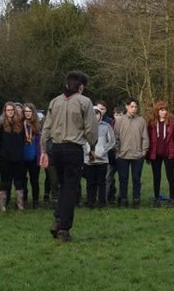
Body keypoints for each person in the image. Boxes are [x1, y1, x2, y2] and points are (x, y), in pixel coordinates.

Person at [41, 71, 98, 242]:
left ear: (67, 84)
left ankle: (58, 219)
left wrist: (44, 149)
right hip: (73, 149)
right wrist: (92, 146)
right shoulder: (84, 102)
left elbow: (46, 127)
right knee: (70, 189)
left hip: (56, 148)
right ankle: (64, 227)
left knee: (62, 186)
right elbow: (91, 129)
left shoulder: (55, 101)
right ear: (81, 87)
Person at [113, 98, 148, 209]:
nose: (134, 109)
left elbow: (145, 137)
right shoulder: (119, 121)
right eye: (132, 106)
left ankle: (136, 199)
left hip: (137, 155)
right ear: (127, 106)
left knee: (136, 179)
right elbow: (116, 137)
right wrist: (117, 152)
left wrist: (144, 151)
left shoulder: (141, 121)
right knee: (123, 179)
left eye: (136, 107)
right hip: (122, 155)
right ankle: (123, 199)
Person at [147, 101, 174, 208]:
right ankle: (156, 198)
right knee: (156, 177)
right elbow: (149, 138)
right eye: (161, 110)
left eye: (165, 110)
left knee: (170, 176)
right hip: (155, 153)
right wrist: (148, 153)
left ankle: (171, 199)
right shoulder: (151, 123)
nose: (163, 112)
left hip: (169, 153)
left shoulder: (172, 122)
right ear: (157, 111)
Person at [0, 103, 28, 211]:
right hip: (5, 158)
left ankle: (20, 205)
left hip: (18, 158)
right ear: (5, 112)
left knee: (19, 181)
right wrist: (1, 153)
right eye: (8, 110)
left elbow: (23, 140)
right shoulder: (0, 126)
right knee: (5, 181)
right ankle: (2, 205)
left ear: (14, 111)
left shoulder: (20, 125)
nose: (10, 112)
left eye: (12, 110)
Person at [84, 103, 114, 209]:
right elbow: (82, 141)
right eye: (93, 114)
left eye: (97, 114)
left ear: (100, 115)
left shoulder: (106, 126)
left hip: (102, 160)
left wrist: (101, 152)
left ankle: (102, 203)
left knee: (102, 182)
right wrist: (89, 152)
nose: (95, 116)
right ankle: (90, 202)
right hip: (88, 160)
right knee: (90, 182)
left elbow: (111, 141)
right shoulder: (85, 127)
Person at [23, 103, 45, 209]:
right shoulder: (20, 125)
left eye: (29, 111)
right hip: (22, 157)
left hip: (34, 156)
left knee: (34, 180)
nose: (27, 114)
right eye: (26, 111)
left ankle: (35, 201)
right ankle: (24, 199)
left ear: (33, 112)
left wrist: (41, 155)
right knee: (23, 180)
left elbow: (40, 143)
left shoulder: (37, 125)